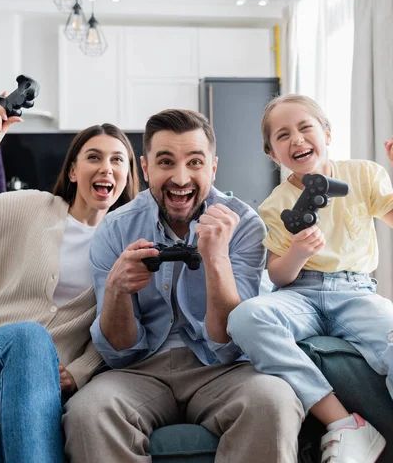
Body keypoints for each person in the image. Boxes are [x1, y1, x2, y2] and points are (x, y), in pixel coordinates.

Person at [63, 108, 304, 463]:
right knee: (88, 412)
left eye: (194, 162)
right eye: (165, 162)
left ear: (213, 168)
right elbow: (120, 352)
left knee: (274, 400)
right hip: (139, 371)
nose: (180, 178)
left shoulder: (244, 225)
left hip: (223, 369)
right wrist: (116, 290)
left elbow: (228, 343)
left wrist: (217, 259)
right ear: (145, 169)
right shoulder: (115, 229)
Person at [228, 94, 393, 463]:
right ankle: (346, 426)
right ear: (272, 153)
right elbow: (278, 275)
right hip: (301, 295)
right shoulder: (275, 204)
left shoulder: (363, 174)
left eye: (305, 128)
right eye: (283, 136)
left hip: (356, 293)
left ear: (327, 134)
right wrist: (299, 252)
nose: (297, 139)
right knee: (244, 317)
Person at [0, 100, 140, 462]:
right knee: (28, 335)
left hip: (37, 386)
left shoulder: (130, 249)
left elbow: (125, 329)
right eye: (93, 157)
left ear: (127, 177)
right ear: (73, 171)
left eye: (117, 160)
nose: (106, 167)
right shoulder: (30, 207)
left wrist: (79, 371)